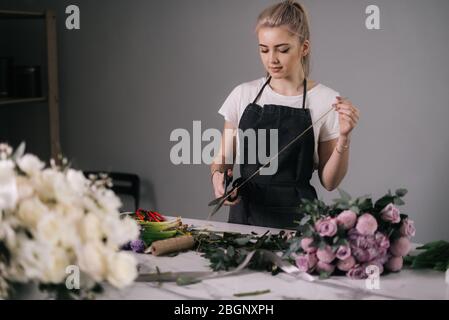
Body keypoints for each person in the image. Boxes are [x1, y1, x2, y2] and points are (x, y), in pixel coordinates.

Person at [210, 0, 360, 229]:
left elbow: (330, 182)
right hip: (246, 219)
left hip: (299, 223)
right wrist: (219, 179)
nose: (272, 60)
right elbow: (222, 159)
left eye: (282, 49)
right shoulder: (243, 94)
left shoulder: (325, 100)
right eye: (264, 49)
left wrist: (344, 137)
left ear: (304, 47)